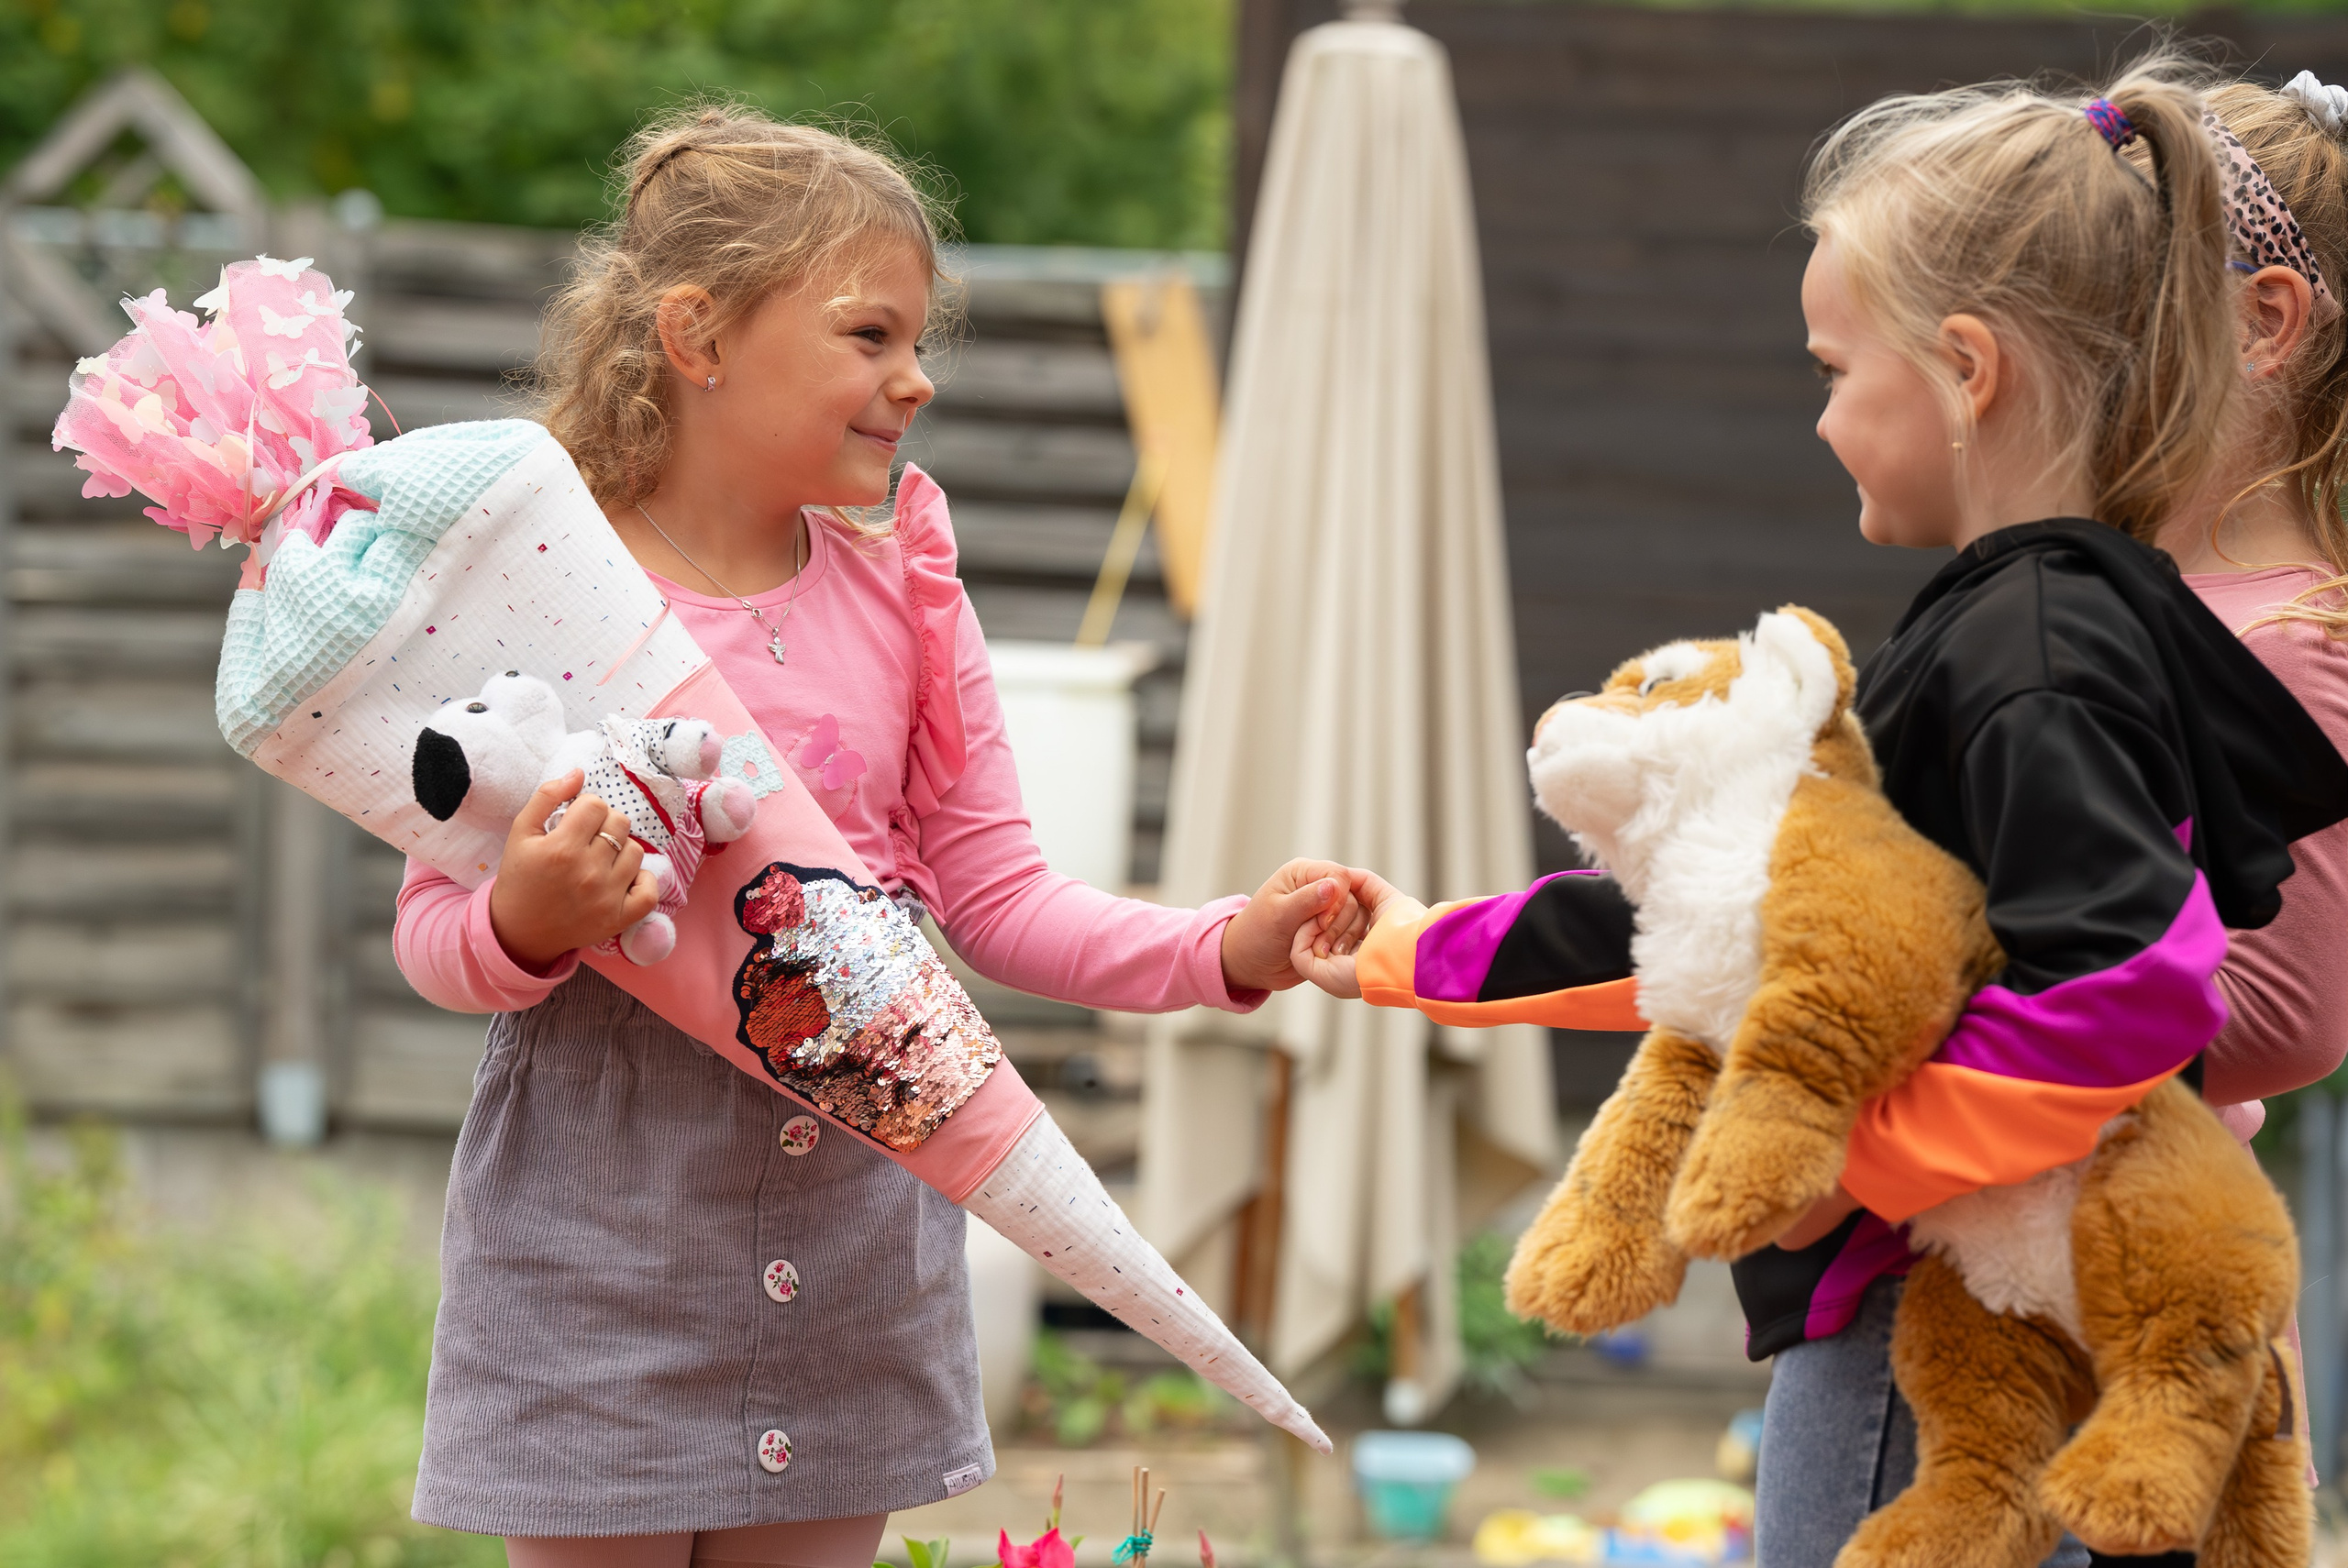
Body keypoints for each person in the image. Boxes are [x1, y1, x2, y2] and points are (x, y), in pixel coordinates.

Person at [1297, 55, 2348, 1568]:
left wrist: (1855, 1156)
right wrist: (1420, 954)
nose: (1819, 417)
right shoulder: (2055, 623)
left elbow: (2133, 986)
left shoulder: (2038, 651)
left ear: (1970, 369)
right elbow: (1764, 921)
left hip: (1942, 1341)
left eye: (1834, 372)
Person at [393, 105, 1366, 1568]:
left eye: (919, 341)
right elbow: (431, 937)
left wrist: (1222, 944)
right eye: (868, 335)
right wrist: (526, 918)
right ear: (698, 335)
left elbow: (997, 894)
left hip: (854, 1248)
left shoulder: (904, 589)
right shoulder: (551, 589)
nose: (913, 378)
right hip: (602, 1255)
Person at [2161, 72, 2348, 1150]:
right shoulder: (2131, 591)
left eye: (2109, 299)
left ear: (2261, 321)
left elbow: (2285, 1019)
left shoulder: (2285, 640)